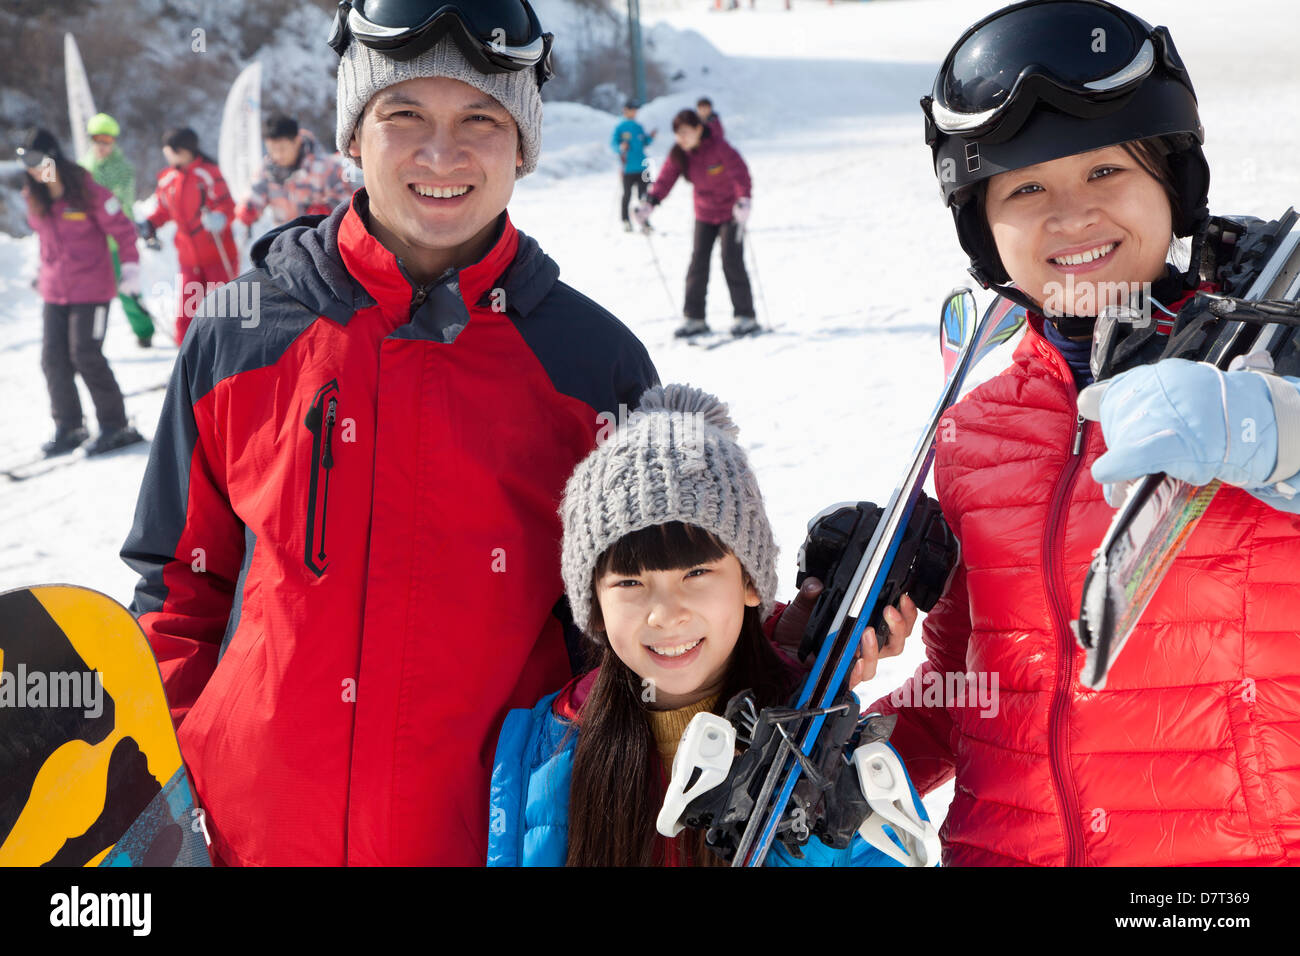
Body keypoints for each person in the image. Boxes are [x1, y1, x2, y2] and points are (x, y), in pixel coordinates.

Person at [120, 0, 658, 867]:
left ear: (522, 142)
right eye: (402, 114)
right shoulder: (238, 334)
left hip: (487, 844)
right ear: (353, 132)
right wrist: (181, 786)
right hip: (248, 843)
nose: (440, 155)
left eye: (481, 118)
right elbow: (179, 592)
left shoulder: (593, 366)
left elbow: (653, 624)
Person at [831, 0, 1300, 866]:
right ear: (984, 226)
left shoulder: (1274, 355)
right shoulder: (976, 431)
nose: (1071, 215)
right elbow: (983, 688)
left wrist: (1274, 432)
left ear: (1173, 182)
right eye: (1026, 187)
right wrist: (851, 760)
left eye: (1104, 173)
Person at [488, 384, 931, 866]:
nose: (665, 613)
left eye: (696, 574)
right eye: (630, 583)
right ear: (593, 604)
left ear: (749, 583)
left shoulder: (832, 756)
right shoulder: (543, 750)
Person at [18, 127, 145, 458]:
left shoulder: (86, 190)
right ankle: (70, 425)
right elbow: (44, 239)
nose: (33, 170)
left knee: (85, 354)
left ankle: (116, 425)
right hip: (55, 290)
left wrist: (130, 267)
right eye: (27, 163)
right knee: (52, 359)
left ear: (54, 158)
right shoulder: (34, 194)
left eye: (37, 161)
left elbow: (123, 229)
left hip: (92, 289)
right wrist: (37, 271)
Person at [636, 110, 757, 338]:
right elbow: (664, 180)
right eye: (677, 134)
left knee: (731, 260)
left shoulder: (720, 147)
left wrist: (744, 200)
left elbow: (740, 174)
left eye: (685, 133)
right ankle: (694, 318)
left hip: (731, 212)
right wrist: (650, 202)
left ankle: (745, 316)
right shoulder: (680, 154)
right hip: (704, 213)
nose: (681, 138)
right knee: (697, 263)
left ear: (698, 130)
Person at [137, 127, 238, 344]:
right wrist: (151, 223)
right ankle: (185, 361)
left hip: (218, 255)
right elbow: (164, 209)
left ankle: (230, 358)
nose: (167, 155)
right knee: (186, 314)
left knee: (224, 311)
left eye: (168, 150)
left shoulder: (208, 173)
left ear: (182, 150)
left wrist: (219, 218)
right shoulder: (168, 178)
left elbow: (228, 205)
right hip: (189, 258)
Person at [78, 112, 157, 348]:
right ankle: (90, 340)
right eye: (98, 140)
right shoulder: (83, 167)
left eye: (107, 141)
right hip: (92, 243)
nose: (102, 146)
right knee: (92, 294)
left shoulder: (123, 168)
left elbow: (121, 204)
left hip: (117, 241)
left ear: (114, 141)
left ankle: (144, 330)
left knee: (127, 289)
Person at [233, 112, 355, 232]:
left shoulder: (325, 167)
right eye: (272, 149)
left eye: (282, 148)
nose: (277, 154)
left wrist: (326, 212)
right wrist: (249, 209)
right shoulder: (267, 170)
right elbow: (255, 194)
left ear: (297, 141)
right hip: (283, 239)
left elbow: (345, 202)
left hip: (318, 239)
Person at [611, 99, 655, 232]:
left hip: (642, 167)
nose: (635, 112)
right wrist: (620, 147)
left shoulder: (638, 126)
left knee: (644, 196)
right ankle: (626, 220)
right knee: (627, 195)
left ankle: (644, 220)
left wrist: (651, 137)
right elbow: (613, 144)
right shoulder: (620, 127)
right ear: (626, 110)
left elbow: (645, 141)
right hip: (628, 168)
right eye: (633, 109)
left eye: (636, 110)